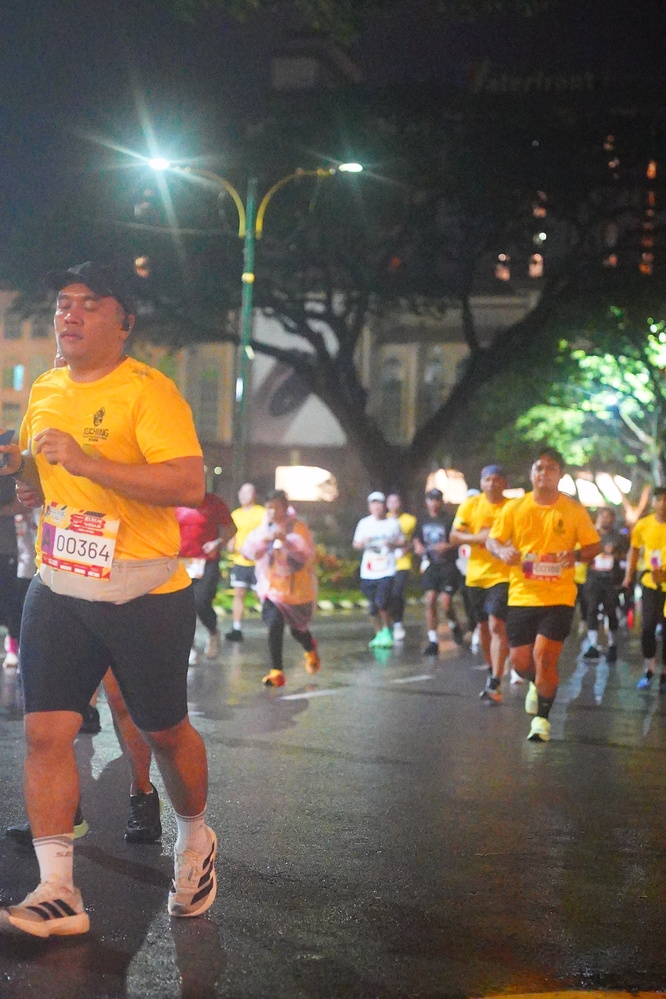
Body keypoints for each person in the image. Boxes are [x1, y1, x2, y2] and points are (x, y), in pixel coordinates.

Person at [0, 261, 216, 938]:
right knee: (44, 733)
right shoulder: (46, 386)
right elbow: (41, 467)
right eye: (64, 303)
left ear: (124, 322)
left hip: (143, 590)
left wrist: (87, 462)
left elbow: (188, 483)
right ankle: (57, 889)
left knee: (164, 732)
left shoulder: (149, 392)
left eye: (89, 304)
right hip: (60, 585)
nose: (70, 314)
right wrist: (28, 479)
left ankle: (195, 836)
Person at [488, 447, 600, 742]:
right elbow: (493, 540)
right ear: (531, 473)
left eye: (551, 469)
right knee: (521, 662)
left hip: (559, 597)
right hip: (522, 595)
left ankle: (542, 720)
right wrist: (502, 551)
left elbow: (594, 546)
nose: (544, 473)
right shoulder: (515, 508)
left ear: (560, 475)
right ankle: (536, 684)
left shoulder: (573, 510)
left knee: (544, 657)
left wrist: (575, 555)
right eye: (539, 468)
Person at [241, 490, 320, 687]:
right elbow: (248, 551)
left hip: (296, 591)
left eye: (276, 507)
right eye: (269, 507)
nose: (272, 512)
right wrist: (265, 540)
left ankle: (310, 648)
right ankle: (277, 671)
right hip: (272, 589)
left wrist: (286, 541)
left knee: (298, 631)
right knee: (274, 623)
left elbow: (305, 553)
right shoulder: (264, 528)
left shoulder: (298, 527)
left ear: (285, 507)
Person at [451, 465, 511, 703]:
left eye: (497, 480)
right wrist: (480, 538)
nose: (492, 484)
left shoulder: (512, 507)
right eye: (488, 480)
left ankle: (496, 679)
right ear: (481, 482)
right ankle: (492, 668)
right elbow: (454, 536)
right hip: (475, 575)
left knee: (497, 624)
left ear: (504, 483)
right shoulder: (471, 505)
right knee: (483, 626)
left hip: (503, 575)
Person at [176, 492, 236, 663]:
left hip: (206, 561)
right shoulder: (175, 500)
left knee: (201, 602)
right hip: (181, 562)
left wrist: (217, 542)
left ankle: (213, 632)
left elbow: (231, 528)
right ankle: (190, 646)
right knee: (183, 605)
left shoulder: (213, 502)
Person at [622, 487, 666, 691]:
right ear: (654, 503)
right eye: (660, 500)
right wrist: (628, 576)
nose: (663, 504)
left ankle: (664, 674)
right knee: (647, 627)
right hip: (650, 583)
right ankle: (649, 670)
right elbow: (634, 550)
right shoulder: (643, 525)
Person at [413, 488, 463, 654]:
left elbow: (458, 540)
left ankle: (454, 624)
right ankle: (433, 640)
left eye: (437, 500)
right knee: (430, 600)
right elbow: (417, 538)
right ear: (426, 502)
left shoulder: (449, 520)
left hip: (448, 565)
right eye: (431, 500)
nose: (434, 503)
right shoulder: (422, 520)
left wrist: (447, 546)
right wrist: (418, 547)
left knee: (446, 603)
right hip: (431, 564)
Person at [353, 492, 404, 649]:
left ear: (384, 506)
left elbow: (403, 541)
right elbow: (356, 544)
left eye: (379, 503)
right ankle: (379, 633)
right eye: (373, 503)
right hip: (369, 570)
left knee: (382, 602)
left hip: (386, 570)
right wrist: (363, 542)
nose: (376, 507)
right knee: (372, 606)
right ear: (369, 507)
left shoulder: (392, 523)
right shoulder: (364, 523)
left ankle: (387, 631)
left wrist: (392, 544)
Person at [582, 507, 627, 663]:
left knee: (611, 610)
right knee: (591, 609)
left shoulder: (619, 537)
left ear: (613, 519)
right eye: (603, 516)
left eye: (609, 516)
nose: (605, 519)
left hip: (611, 579)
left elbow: (627, 556)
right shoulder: (591, 535)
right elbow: (583, 553)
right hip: (593, 578)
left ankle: (612, 645)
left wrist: (614, 554)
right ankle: (593, 645)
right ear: (598, 518)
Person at [225, 483, 265, 642]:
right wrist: (231, 545)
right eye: (241, 492)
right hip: (240, 561)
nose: (243, 496)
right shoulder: (235, 515)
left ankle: (273, 625)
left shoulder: (262, 513)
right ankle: (237, 628)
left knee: (261, 595)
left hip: (258, 563)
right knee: (239, 594)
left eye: (247, 493)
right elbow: (232, 535)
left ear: (254, 495)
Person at [386, 491, 417, 641]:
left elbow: (416, 541)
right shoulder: (383, 520)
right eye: (390, 502)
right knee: (387, 594)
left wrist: (408, 548)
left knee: (397, 592)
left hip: (403, 562)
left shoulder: (410, 520)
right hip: (385, 563)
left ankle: (398, 622)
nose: (394, 505)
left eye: (396, 501)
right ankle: (388, 623)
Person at [0, 473, 21, 669]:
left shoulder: (7, 471)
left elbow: (22, 504)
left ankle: (13, 647)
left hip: (5, 547)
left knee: (9, 599)